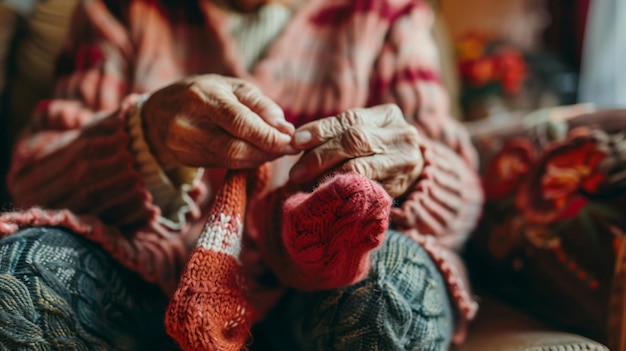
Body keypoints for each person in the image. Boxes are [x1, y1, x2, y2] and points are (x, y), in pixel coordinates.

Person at [0, 0, 484, 350]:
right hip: (146, 277)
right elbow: (35, 176)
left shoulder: (388, 12)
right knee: (17, 273)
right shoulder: (120, 8)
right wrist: (144, 132)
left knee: (394, 289)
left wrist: (417, 167)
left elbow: (462, 197)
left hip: (324, 291)